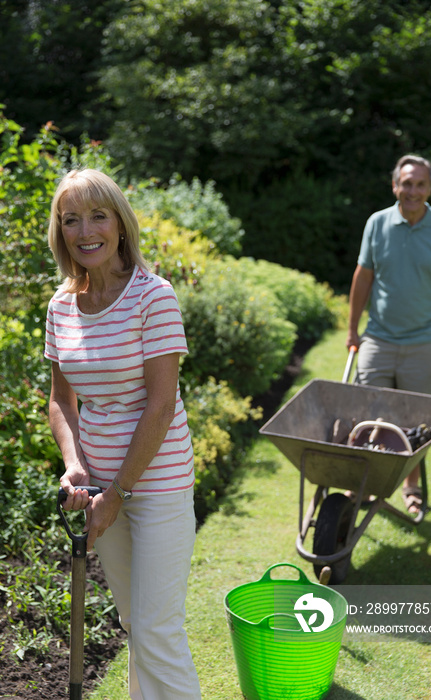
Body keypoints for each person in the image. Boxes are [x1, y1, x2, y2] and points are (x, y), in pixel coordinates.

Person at [45, 168, 202, 700]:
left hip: (156, 485)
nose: (85, 230)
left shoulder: (152, 296)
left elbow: (160, 408)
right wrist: (75, 465)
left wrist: (119, 493)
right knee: (136, 622)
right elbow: (61, 401)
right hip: (99, 486)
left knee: (157, 629)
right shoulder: (61, 306)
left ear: (119, 223)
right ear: (60, 231)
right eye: (71, 219)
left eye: (97, 215)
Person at [346, 154, 431, 513]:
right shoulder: (377, 223)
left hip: (427, 341)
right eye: (406, 183)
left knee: (417, 420)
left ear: (430, 188)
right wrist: (353, 329)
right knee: (366, 410)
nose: (412, 191)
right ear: (395, 185)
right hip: (379, 338)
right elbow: (363, 276)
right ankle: (364, 482)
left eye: (420, 184)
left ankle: (410, 488)